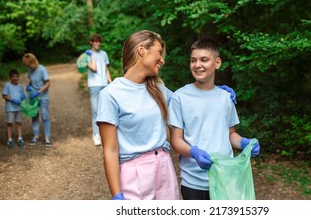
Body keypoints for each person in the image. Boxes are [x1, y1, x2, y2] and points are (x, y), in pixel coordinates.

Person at [168, 38, 260, 200]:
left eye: (204, 60)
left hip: (225, 178)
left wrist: (244, 142)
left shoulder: (226, 97)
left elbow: (230, 134)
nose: (197, 65)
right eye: (193, 60)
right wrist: (193, 152)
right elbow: (175, 139)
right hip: (194, 182)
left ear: (217, 63)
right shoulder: (179, 97)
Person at [96, 30, 179, 200]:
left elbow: (186, 103)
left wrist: (213, 90)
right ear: (142, 50)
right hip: (134, 174)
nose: (162, 60)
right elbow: (110, 150)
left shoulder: (159, 89)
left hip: (164, 167)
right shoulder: (110, 95)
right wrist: (116, 193)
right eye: (159, 53)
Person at [86, 33, 112, 146]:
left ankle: (105, 134)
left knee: (105, 110)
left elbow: (106, 69)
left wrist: (111, 83)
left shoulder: (104, 54)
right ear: (91, 42)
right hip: (94, 85)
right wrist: (91, 55)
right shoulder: (86, 55)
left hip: (104, 85)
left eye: (99, 41)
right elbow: (93, 68)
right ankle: (96, 135)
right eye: (95, 41)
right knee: (95, 111)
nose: (98, 43)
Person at [22, 53, 52, 147]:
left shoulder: (42, 69)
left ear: (33, 62)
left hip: (43, 96)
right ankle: (36, 136)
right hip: (33, 97)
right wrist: (29, 86)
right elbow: (31, 81)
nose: (28, 67)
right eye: (26, 66)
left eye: (28, 65)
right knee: (34, 115)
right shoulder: (30, 70)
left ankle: (47, 138)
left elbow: (48, 83)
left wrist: (39, 92)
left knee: (45, 116)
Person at [2, 69, 26, 149]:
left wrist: (23, 97)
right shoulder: (7, 85)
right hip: (10, 108)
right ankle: (9, 139)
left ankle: (20, 138)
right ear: (10, 77)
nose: (15, 78)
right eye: (13, 77)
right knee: (10, 123)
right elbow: (4, 96)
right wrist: (12, 99)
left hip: (19, 107)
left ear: (18, 77)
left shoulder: (20, 86)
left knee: (18, 123)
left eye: (16, 76)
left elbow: (23, 95)